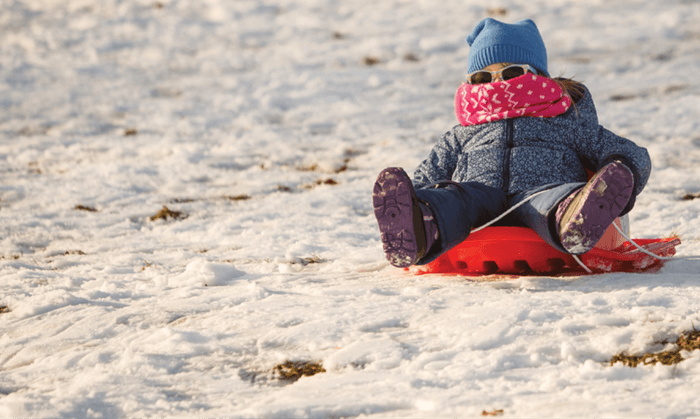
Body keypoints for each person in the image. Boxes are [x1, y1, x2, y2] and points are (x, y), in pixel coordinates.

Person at [372, 18, 651, 268]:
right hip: (480, 198)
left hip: (542, 192)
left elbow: (630, 153)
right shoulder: (463, 133)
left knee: (553, 200)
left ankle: (577, 221)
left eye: (511, 73)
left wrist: (618, 174)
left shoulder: (564, 121)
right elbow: (427, 176)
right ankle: (421, 227)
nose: (497, 84)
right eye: (481, 77)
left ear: (538, 75)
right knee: (454, 199)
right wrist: (413, 200)